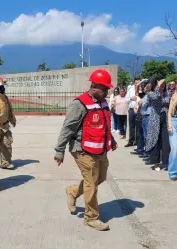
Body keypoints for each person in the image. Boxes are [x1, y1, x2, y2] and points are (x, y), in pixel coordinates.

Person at [54, 68, 117, 231]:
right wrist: (59, 150)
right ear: (95, 86)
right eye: (105, 89)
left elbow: (104, 125)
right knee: (91, 183)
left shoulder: (102, 102)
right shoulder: (79, 104)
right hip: (81, 149)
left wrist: (112, 139)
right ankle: (91, 217)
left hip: (99, 148)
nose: (107, 92)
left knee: (100, 177)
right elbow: (68, 128)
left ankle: (73, 192)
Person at [0, 76, 17, 169]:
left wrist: (12, 119)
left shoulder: (5, 97)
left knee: (7, 145)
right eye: (0, 87)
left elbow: (8, 109)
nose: (2, 88)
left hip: (5, 126)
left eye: (3, 86)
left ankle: (5, 163)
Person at [125, 78, 140, 147]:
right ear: (134, 83)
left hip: (139, 110)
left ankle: (138, 142)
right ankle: (131, 141)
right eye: (136, 83)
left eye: (138, 82)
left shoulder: (142, 90)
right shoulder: (130, 90)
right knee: (131, 126)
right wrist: (131, 98)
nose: (137, 84)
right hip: (131, 109)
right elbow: (126, 99)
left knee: (138, 126)